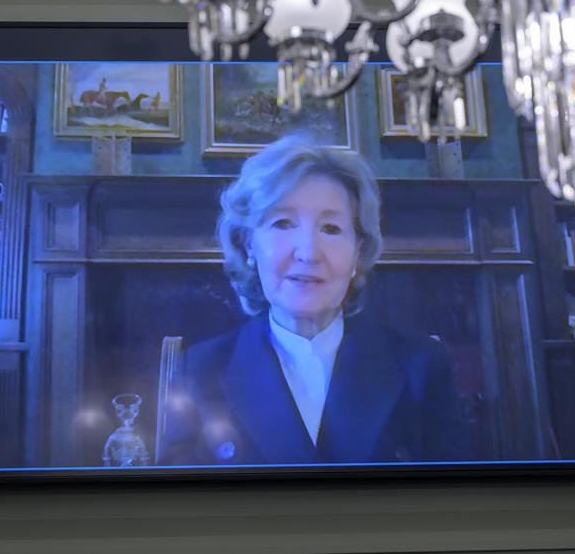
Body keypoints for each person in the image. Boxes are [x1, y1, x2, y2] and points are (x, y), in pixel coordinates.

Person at [159, 134, 470, 467]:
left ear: (358, 251)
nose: (308, 253)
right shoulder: (199, 371)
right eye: (283, 223)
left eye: (331, 228)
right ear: (249, 244)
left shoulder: (421, 365)